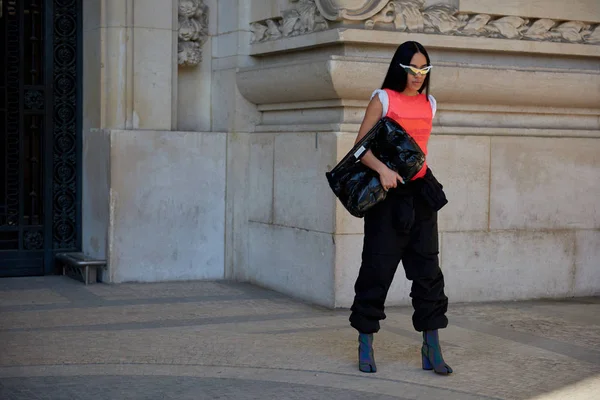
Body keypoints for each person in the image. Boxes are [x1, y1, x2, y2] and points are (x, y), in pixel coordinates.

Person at [349, 41, 452, 375]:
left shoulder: (430, 103)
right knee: (377, 269)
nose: (418, 76)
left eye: (424, 69)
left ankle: (431, 348)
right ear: (400, 69)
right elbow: (358, 149)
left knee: (427, 272)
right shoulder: (382, 99)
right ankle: (365, 345)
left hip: (421, 193)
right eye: (412, 69)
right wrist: (382, 170)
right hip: (388, 196)